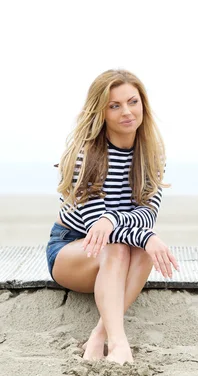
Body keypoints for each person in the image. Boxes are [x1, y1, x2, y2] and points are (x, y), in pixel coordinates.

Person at [45, 69, 179, 365]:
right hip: (71, 250)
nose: (127, 112)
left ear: (143, 103)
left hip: (113, 248)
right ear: (101, 112)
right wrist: (132, 231)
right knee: (118, 247)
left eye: (132, 101)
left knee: (143, 253)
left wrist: (116, 221)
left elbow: (147, 213)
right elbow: (95, 228)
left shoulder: (152, 154)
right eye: (114, 105)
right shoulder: (86, 153)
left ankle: (99, 336)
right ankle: (120, 344)